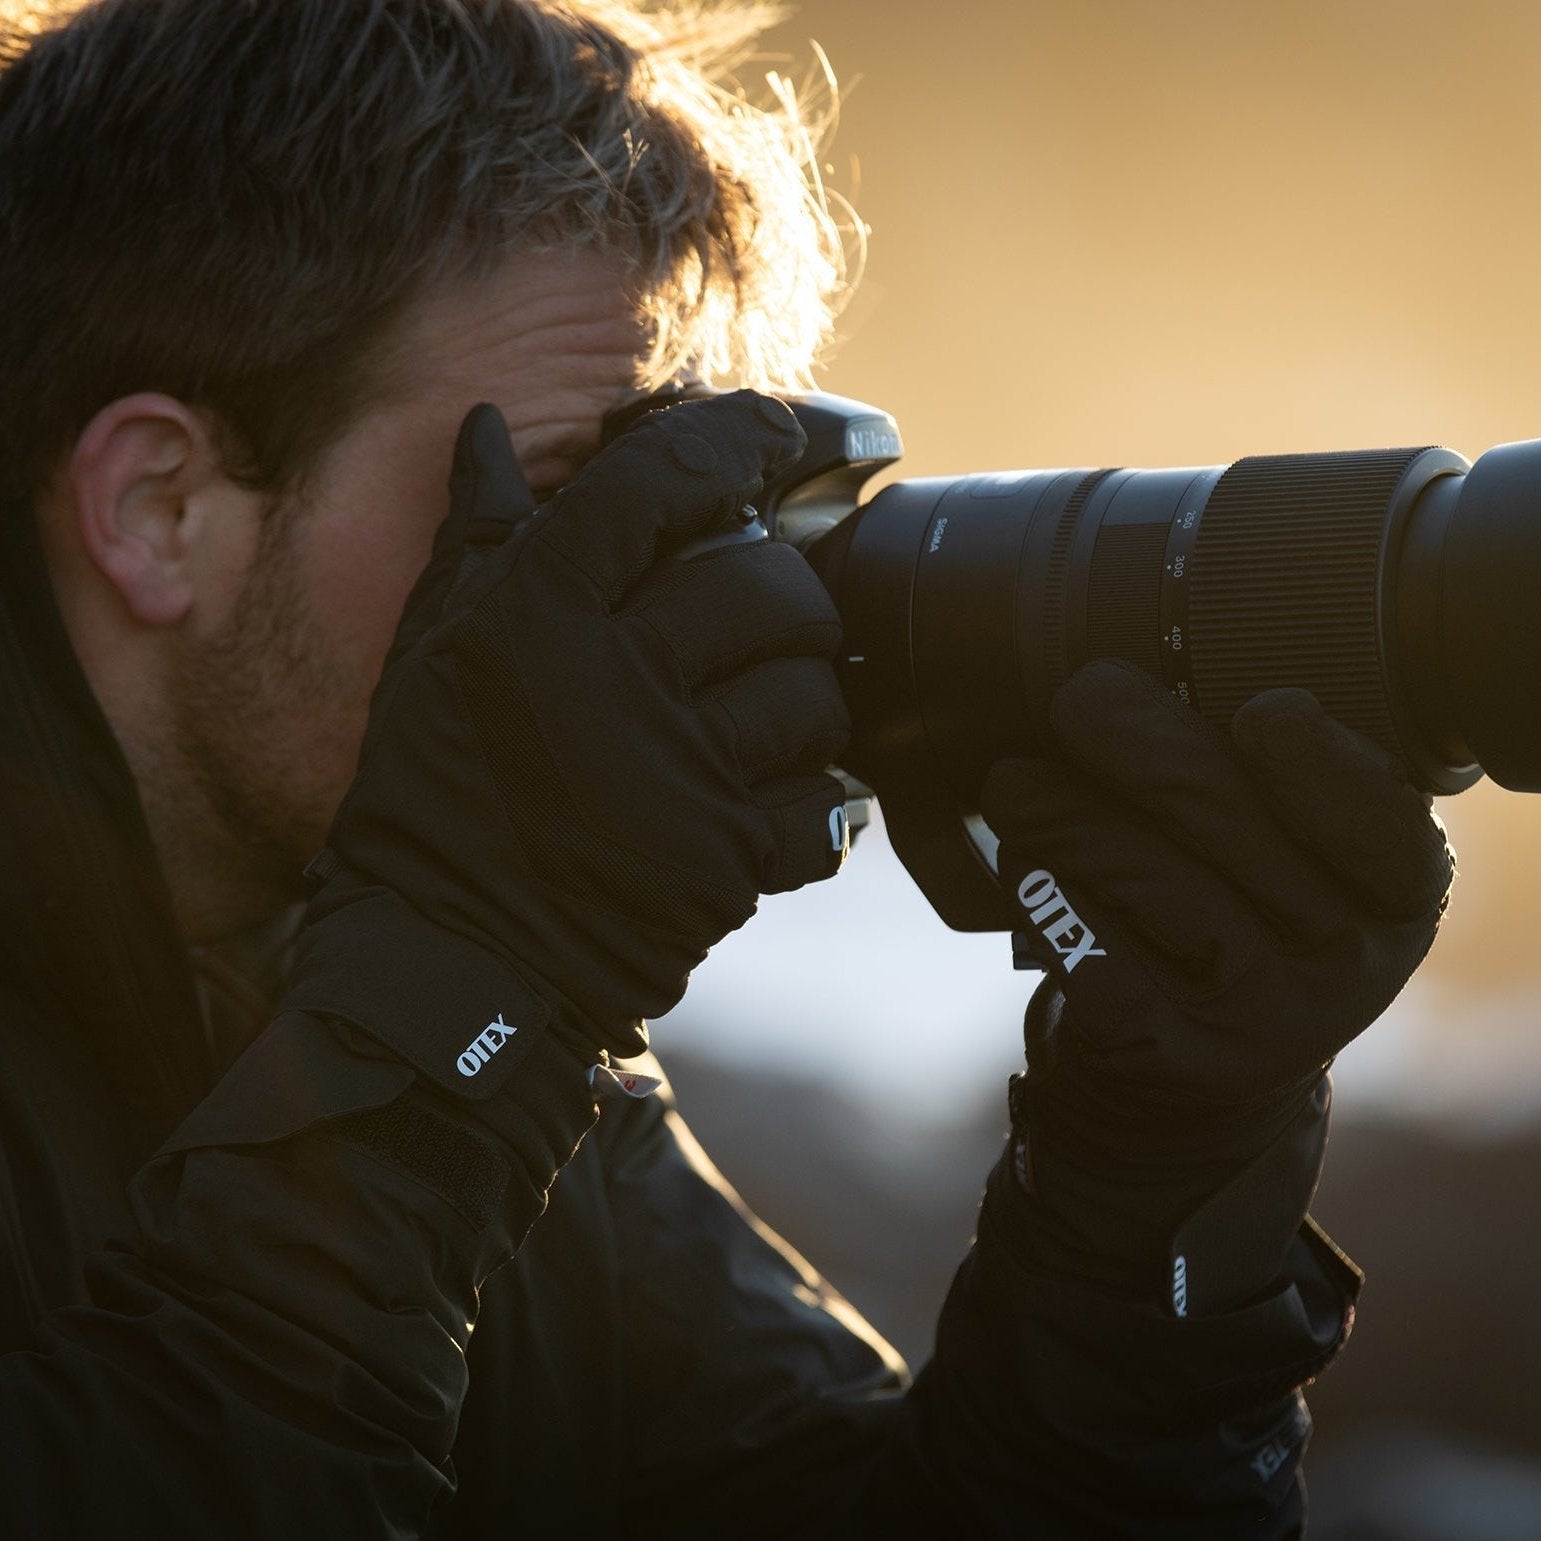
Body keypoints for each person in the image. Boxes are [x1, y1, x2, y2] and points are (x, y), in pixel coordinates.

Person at [0, 0, 1453, 1535]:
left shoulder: (416, 997)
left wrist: (1157, 1173)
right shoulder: (457, 975)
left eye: (680, 503)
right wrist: (473, 973)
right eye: (558, 503)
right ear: (158, 508)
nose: (637, 604)